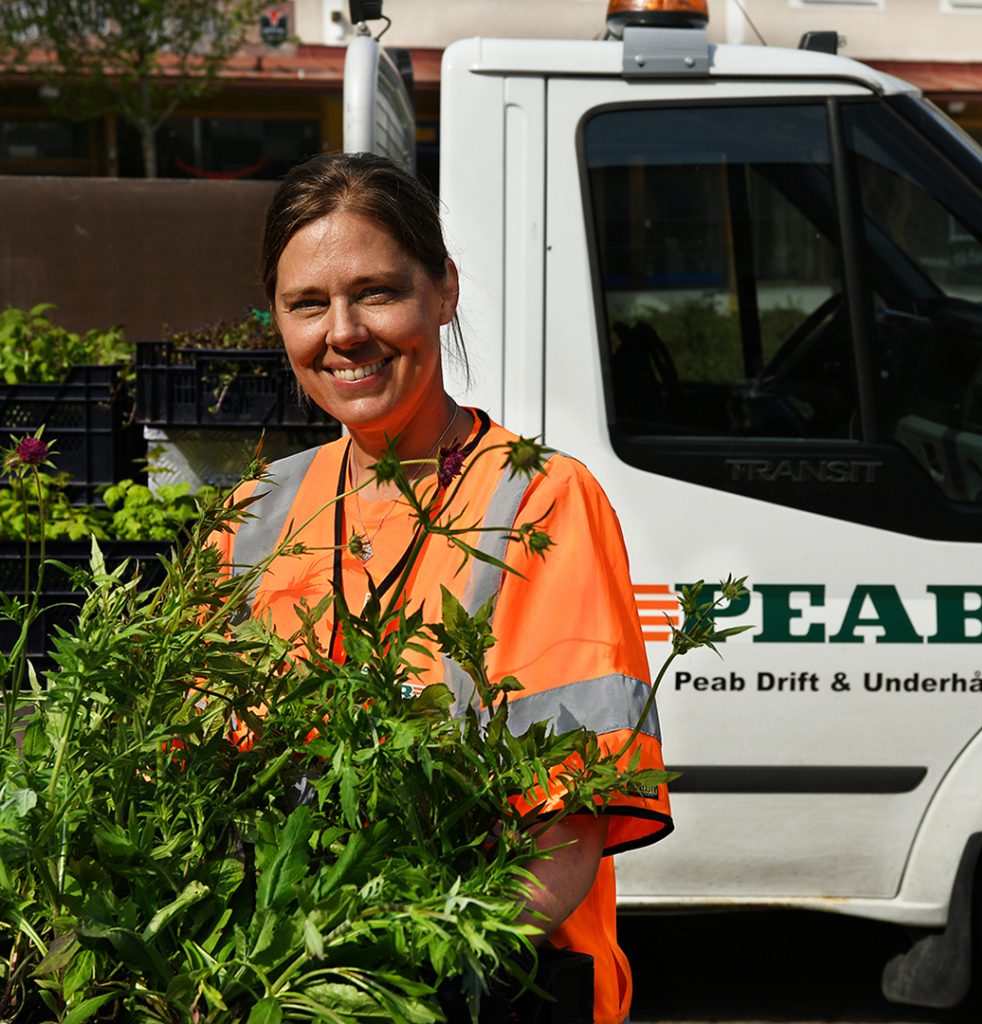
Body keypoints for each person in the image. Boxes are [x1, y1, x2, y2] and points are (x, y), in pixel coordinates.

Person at [214, 152, 673, 1024]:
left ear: (444, 292)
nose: (342, 332)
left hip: (488, 989)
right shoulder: (254, 514)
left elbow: (563, 837)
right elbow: (198, 791)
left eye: (376, 292)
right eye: (308, 304)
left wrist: (375, 983)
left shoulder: (538, 501)